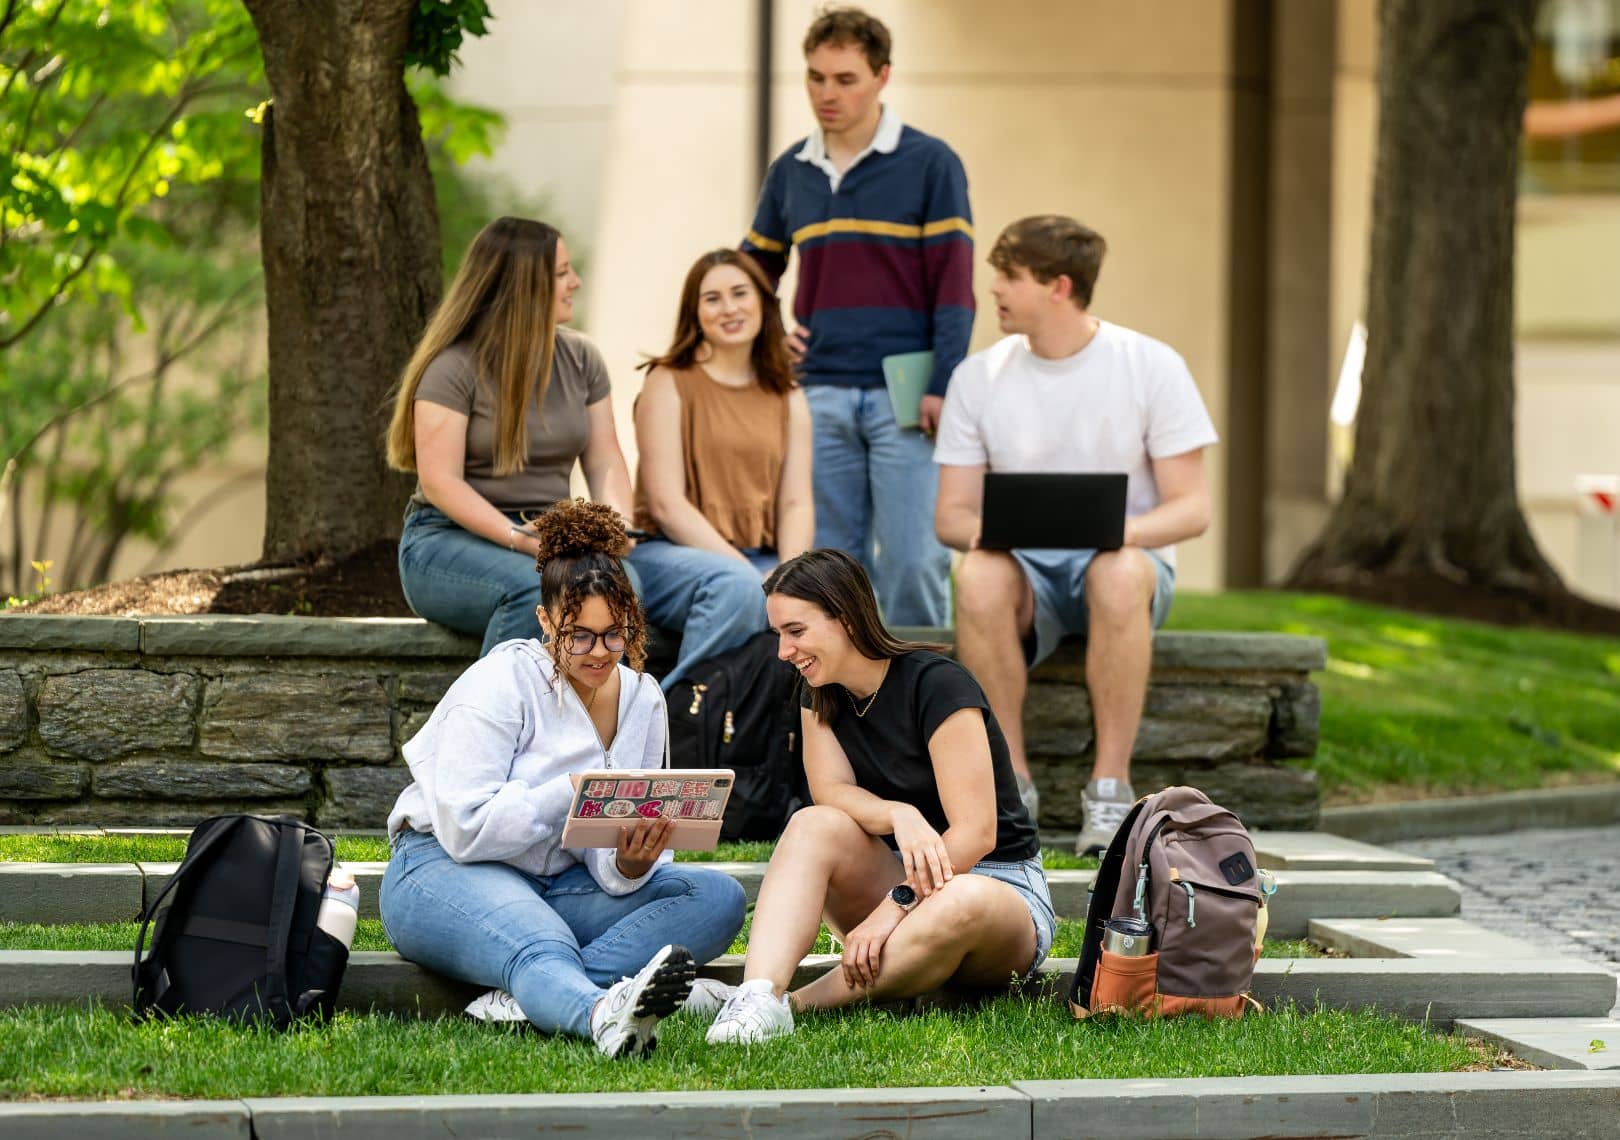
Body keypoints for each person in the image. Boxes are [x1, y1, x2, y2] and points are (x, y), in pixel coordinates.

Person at [379, 499, 747, 1058]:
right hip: (441, 868)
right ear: (546, 621)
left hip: (556, 886)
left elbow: (608, 863)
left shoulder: (643, 699)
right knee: (541, 940)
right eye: (579, 635)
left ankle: (532, 994)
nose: (598, 653)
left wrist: (630, 862)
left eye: (613, 634)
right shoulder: (504, 678)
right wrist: (570, 790)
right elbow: (464, 827)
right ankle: (600, 1012)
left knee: (714, 896)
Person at [932, 216, 1218, 853]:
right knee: (975, 573)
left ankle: (1111, 792)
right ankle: (1011, 789)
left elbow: (1192, 508)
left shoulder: (1150, 365)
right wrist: (994, 535)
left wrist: (1116, 531)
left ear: (1059, 285)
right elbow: (951, 517)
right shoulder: (976, 377)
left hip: (1123, 570)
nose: (995, 290)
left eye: (1010, 276)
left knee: (1115, 570)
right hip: (1022, 578)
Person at [695, 548, 1054, 1044]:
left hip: (997, 889)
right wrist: (897, 814)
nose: (783, 652)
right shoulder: (816, 691)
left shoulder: (938, 685)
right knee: (812, 823)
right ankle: (758, 992)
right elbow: (831, 791)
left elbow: (976, 833)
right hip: (902, 876)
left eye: (795, 632)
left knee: (960, 900)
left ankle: (792, 1006)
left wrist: (893, 909)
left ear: (844, 619)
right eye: (778, 633)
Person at [740, 5, 973, 627]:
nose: (827, 93)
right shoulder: (792, 169)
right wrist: (767, 335)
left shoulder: (931, 163)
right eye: (816, 77)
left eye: (844, 79)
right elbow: (748, 272)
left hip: (907, 396)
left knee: (914, 563)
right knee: (831, 568)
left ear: (882, 76)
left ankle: (924, 708)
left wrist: (943, 384)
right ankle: (840, 711)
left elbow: (955, 287)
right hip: (819, 392)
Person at [387, 216, 637, 655]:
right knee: (534, 591)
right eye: (561, 273)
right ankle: (486, 725)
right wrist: (520, 539)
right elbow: (440, 482)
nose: (575, 282)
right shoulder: (452, 368)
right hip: (445, 540)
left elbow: (605, 462)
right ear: (524, 287)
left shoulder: (581, 359)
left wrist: (617, 527)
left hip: (549, 539)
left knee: (623, 587)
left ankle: (584, 722)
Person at [628, 249, 814, 689]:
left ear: (763, 303)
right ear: (695, 313)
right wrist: (756, 580)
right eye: (712, 299)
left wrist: (788, 573)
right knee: (736, 588)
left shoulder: (786, 393)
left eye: (739, 294)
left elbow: (796, 501)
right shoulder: (668, 381)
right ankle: (678, 722)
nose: (729, 308)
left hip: (762, 557)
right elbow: (666, 503)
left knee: (832, 598)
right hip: (669, 554)